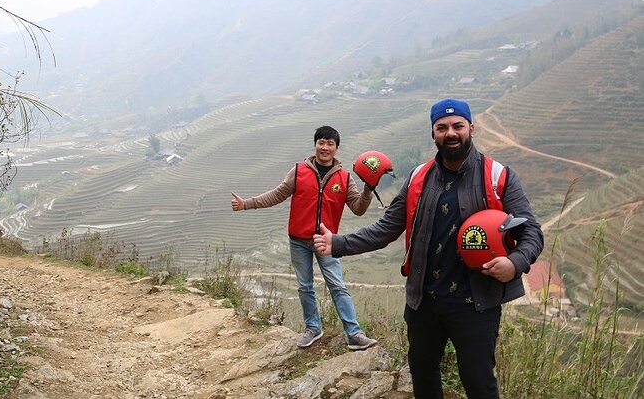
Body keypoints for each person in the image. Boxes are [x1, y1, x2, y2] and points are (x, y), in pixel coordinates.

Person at [313, 99, 544, 398]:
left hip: (475, 303)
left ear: (471, 128)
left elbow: (531, 232)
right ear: (433, 133)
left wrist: (515, 262)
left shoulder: (497, 176)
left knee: (478, 382)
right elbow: (386, 229)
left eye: (458, 126)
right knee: (423, 374)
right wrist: (338, 243)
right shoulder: (418, 178)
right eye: (442, 127)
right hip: (424, 301)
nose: (451, 133)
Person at [230, 125, 378, 351]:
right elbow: (277, 194)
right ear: (315, 144)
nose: (325, 147)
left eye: (330, 143)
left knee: (337, 286)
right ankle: (313, 328)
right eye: (322, 142)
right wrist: (246, 204)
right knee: (304, 287)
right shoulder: (299, 171)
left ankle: (354, 333)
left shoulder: (345, 178)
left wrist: (368, 190)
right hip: (298, 239)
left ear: (336, 148)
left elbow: (358, 208)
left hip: (326, 242)